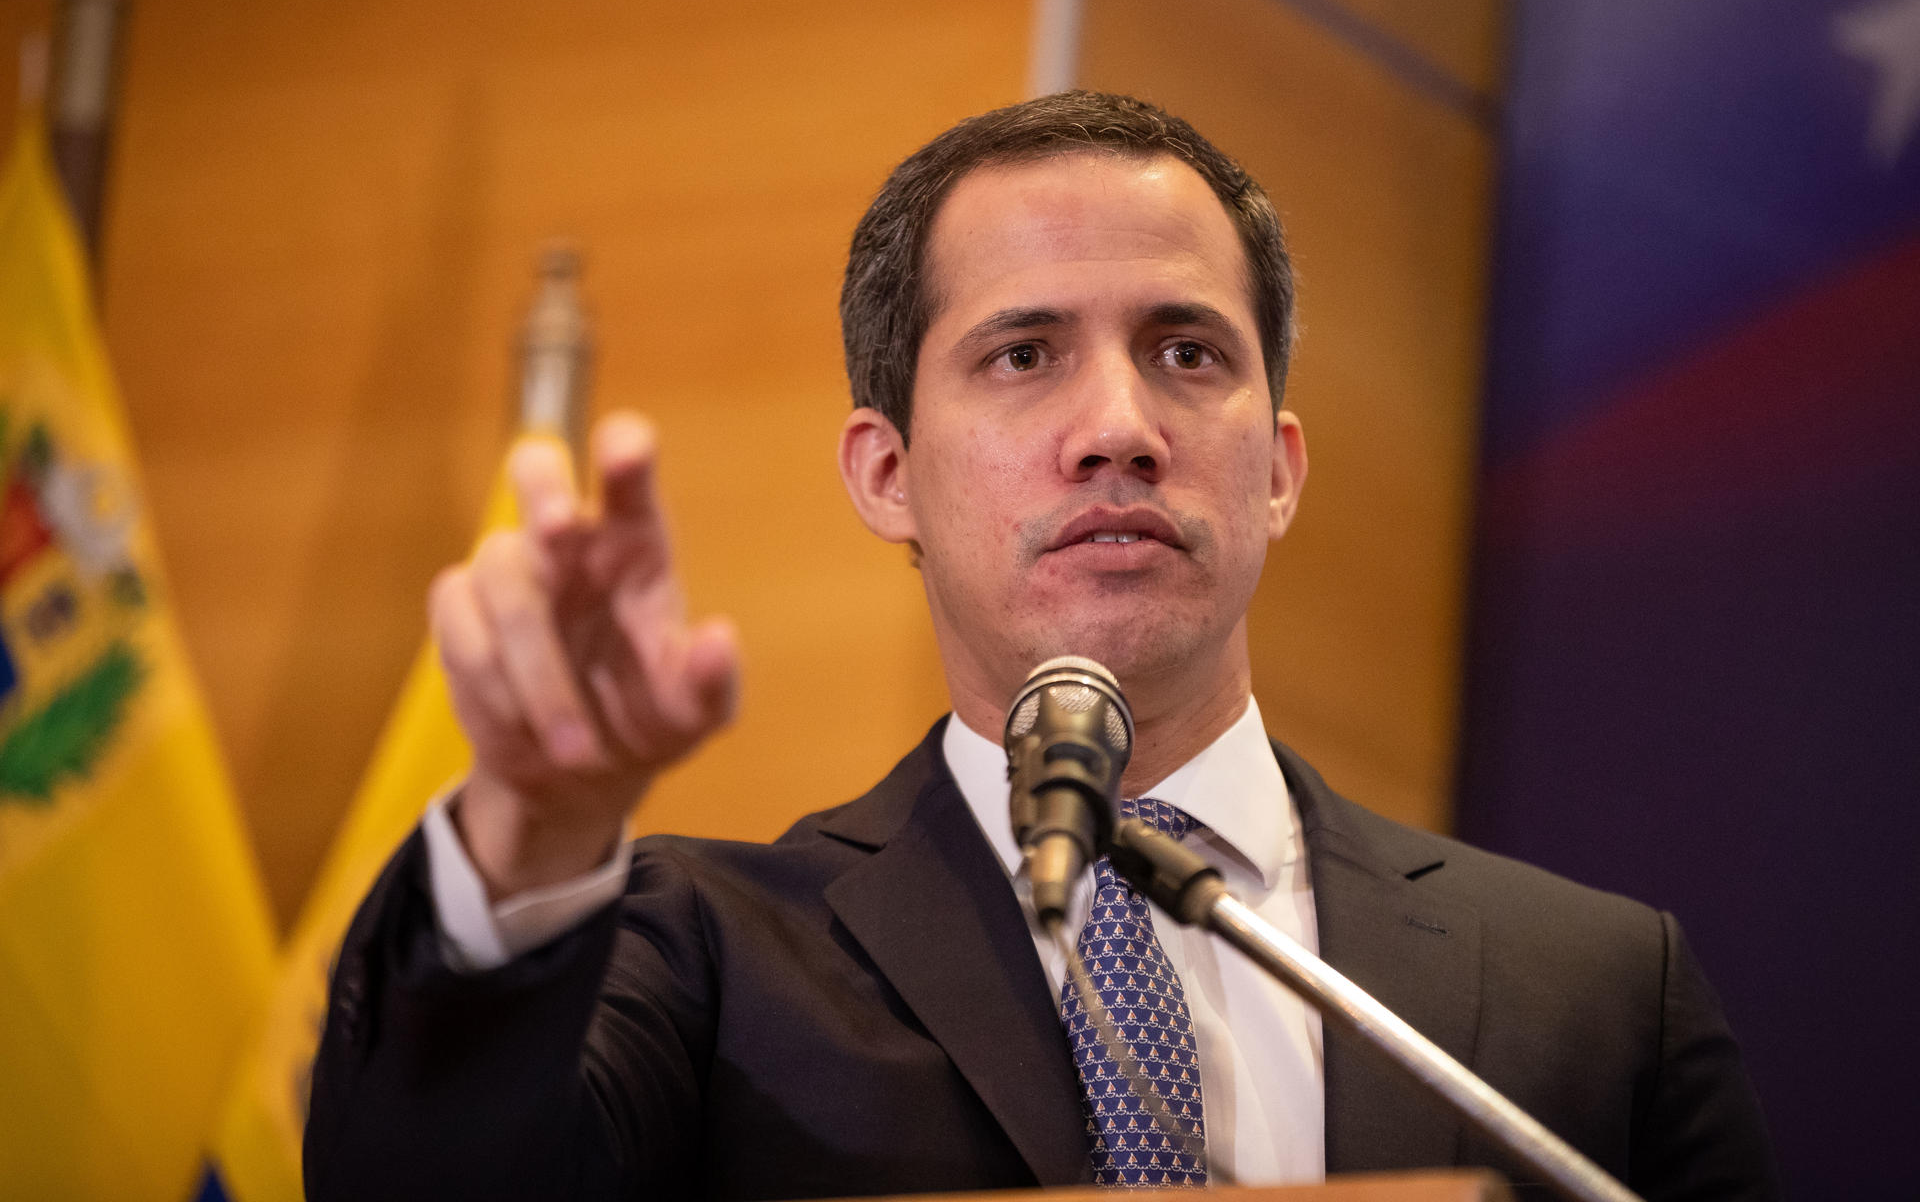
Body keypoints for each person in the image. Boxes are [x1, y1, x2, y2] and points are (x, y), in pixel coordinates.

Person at [305, 92, 1779, 1200]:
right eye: (1023, 357)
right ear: (888, 474)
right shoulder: (702, 960)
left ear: (1278, 466)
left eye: (1186, 353)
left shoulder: (1589, 989)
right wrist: (528, 842)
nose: (1119, 432)